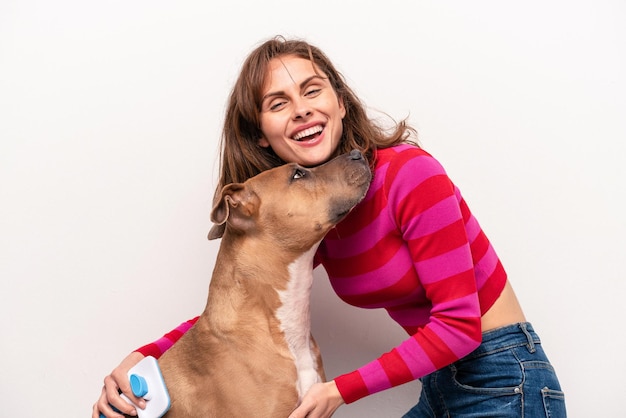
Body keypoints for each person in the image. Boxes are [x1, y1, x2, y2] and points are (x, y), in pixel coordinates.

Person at [93, 36, 566, 418]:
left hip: (506, 377)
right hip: (442, 383)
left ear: (339, 103)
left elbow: (461, 327)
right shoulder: (316, 216)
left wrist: (339, 390)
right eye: (278, 103)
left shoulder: (411, 174)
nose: (300, 108)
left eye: (312, 90)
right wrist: (140, 358)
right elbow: (235, 312)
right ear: (262, 133)